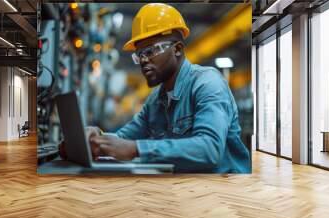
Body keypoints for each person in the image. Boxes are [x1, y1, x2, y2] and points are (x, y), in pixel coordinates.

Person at [81, 3, 250, 173]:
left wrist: (137, 149)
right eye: (139, 55)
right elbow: (123, 138)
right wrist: (96, 137)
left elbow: (209, 149)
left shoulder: (207, 83)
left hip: (221, 189)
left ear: (177, 49)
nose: (143, 60)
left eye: (150, 51)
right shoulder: (155, 100)